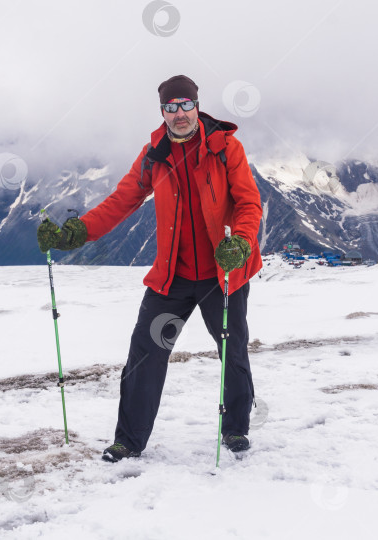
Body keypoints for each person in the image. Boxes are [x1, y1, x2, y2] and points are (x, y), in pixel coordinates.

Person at [36, 75, 263, 462]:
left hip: (222, 273)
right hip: (172, 277)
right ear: (162, 112)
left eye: (185, 105)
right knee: (146, 352)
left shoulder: (226, 148)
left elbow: (248, 203)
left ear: (197, 106)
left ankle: (236, 429)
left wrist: (240, 243)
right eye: (170, 108)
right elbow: (121, 201)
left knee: (232, 350)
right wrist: (78, 233)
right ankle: (129, 440)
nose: (179, 114)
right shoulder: (154, 154)